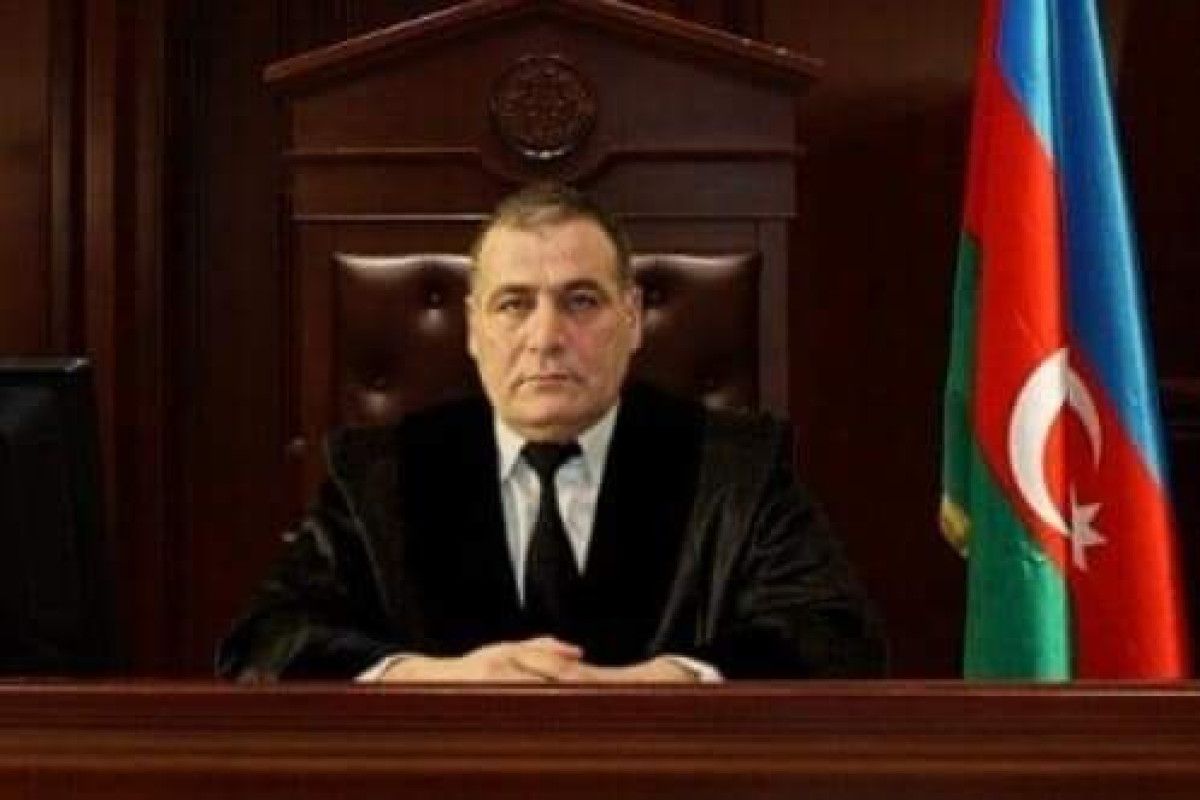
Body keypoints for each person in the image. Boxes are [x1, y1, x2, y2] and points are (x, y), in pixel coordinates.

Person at [217, 182, 886, 682]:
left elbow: (836, 637)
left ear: (632, 318)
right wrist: (433, 678)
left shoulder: (735, 468)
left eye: (580, 301)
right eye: (514, 304)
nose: (546, 337)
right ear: (473, 328)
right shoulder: (381, 473)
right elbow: (265, 641)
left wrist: (671, 681)